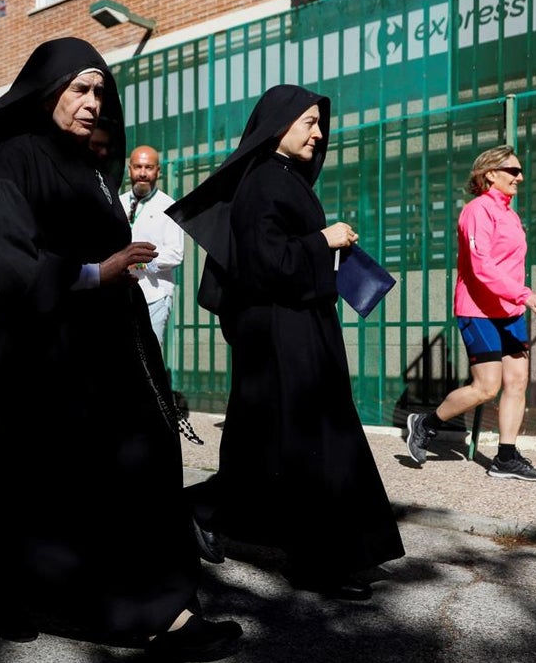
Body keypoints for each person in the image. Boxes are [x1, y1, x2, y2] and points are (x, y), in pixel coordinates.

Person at [0, 37, 242, 661]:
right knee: (47, 483)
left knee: (126, 475)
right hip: (41, 357)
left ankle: (160, 607)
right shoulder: (15, 158)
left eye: (100, 91)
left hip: (102, 349)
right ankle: (29, 595)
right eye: (80, 88)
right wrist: (92, 274)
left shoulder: (87, 167)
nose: (93, 102)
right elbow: (5, 261)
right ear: (47, 92)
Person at [168, 84, 405, 601]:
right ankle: (320, 564)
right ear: (278, 126)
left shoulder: (281, 177)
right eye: (309, 123)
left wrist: (325, 245)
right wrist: (324, 240)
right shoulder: (265, 182)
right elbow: (267, 265)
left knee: (276, 445)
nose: (319, 134)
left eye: (320, 124)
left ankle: (201, 510)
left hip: (294, 328)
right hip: (282, 333)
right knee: (308, 445)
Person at [404, 145, 536, 480]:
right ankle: (426, 424)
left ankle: (505, 458)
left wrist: (517, 299)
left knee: (517, 381)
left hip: (509, 310)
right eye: (513, 171)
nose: (520, 177)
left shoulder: (511, 215)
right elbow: (481, 266)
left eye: (520, 171)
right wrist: (525, 295)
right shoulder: (477, 211)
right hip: (478, 310)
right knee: (487, 387)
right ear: (490, 174)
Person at [119, 145, 186, 348]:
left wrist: (140, 263)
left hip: (154, 296)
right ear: (129, 169)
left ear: (158, 171)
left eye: (148, 167)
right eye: (138, 167)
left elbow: (175, 254)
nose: (142, 173)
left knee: (150, 354)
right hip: (119, 294)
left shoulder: (169, 207)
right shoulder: (118, 203)